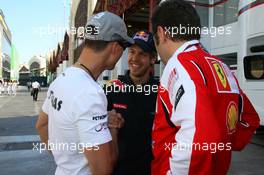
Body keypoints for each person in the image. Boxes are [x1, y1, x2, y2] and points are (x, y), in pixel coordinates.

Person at [150, 0, 260, 175]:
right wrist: (223, 145)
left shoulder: (179, 66)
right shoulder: (220, 66)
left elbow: (200, 140)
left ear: (161, 33)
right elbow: (249, 119)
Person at [36, 11, 134, 175]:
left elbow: (41, 125)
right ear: (115, 48)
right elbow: (103, 169)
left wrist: (66, 161)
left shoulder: (62, 79)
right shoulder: (90, 93)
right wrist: (113, 127)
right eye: (124, 47)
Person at [106, 30, 158, 175]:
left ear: (153, 59)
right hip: (118, 170)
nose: (134, 58)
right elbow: (94, 126)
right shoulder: (113, 87)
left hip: (151, 170)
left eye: (142, 54)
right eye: (132, 52)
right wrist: (106, 118)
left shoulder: (161, 91)